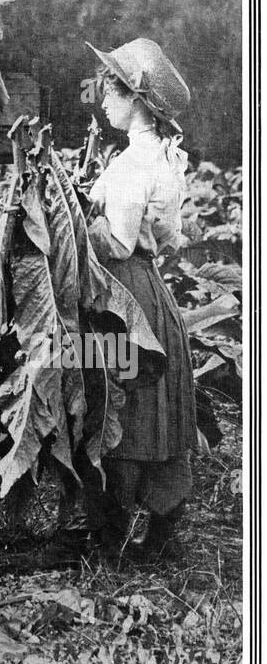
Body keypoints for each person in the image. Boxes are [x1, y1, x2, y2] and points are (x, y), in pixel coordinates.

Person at [77, 37, 197, 561]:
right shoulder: (163, 157)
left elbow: (117, 242)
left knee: (119, 403)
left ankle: (111, 535)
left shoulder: (132, 164)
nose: (104, 98)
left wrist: (75, 220)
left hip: (122, 295)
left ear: (138, 101)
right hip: (151, 292)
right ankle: (161, 531)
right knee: (151, 405)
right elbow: (166, 237)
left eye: (114, 89)